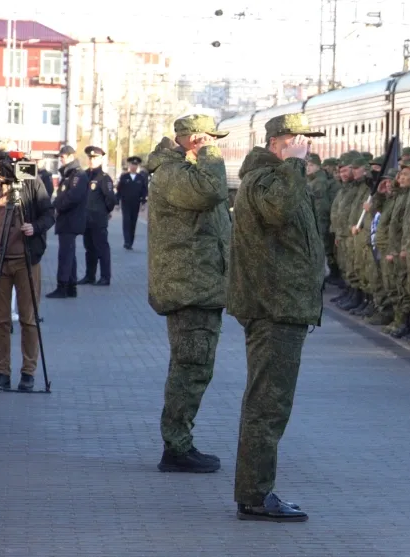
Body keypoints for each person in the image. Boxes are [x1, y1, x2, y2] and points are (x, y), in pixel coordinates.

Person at [228, 113, 324, 522]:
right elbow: (279, 212)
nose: (306, 144)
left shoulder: (276, 178)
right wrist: (294, 165)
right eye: (299, 138)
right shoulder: (269, 180)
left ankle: (256, 491)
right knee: (268, 404)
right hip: (274, 308)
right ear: (280, 142)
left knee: (269, 402)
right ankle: (254, 494)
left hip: (282, 306)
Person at [148, 114, 230, 474]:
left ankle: (179, 442)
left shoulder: (181, 172)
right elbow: (212, 191)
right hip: (190, 287)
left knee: (193, 366)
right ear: (195, 140)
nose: (215, 146)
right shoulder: (173, 174)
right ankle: (177, 447)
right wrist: (209, 155)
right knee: (190, 367)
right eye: (210, 140)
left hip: (199, 284)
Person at [0, 137, 55, 392]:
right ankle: (1, 372)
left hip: (26, 260)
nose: (4, 165)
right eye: (0, 159)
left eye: (8, 159)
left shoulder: (29, 179)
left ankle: (28, 373)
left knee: (29, 319)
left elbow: (49, 213)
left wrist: (34, 227)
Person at [45, 145, 86, 299]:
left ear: (70, 156)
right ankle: (70, 286)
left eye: (62, 157)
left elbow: (73, 197)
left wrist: (57, 208)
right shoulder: (69, 174)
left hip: (71, 219)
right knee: (70, 254)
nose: (60, 159)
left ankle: (62, 286)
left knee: (65, 255)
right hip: (67, 220)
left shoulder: (77, 175)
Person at [78, 146, 116, 286]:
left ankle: (105, 277)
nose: (92, 160)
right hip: (85, 219)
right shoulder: (84, 175)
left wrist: (104, 212)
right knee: (89, 248)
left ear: (100, 159)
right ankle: (90, 275)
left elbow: (111, 199)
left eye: (95, 158)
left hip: (98, 219)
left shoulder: (104, 178)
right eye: (90, 158)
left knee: (102, 248)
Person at [117, 155, 148, 250]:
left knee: (133, 222)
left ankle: (131, 241)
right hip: (125, 203)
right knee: (126, 221)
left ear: (137, 166)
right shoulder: (124, 177)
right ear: (129, 165)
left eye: (135, 165)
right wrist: (117, 203)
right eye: (132, 164)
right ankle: (127, 242)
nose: (133, 166)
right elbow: (119, 190)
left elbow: (144, 191)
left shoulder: (141, 178)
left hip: (136, 203)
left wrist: (143, 203)